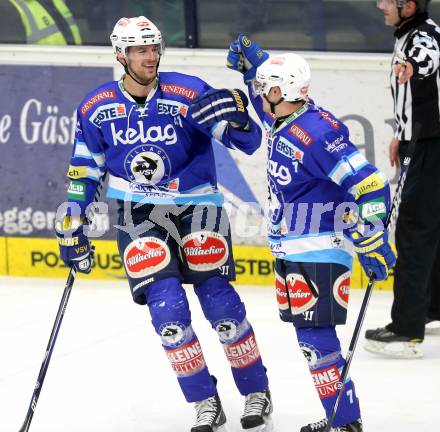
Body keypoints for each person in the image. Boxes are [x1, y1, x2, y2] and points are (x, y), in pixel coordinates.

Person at [55, 16, 273, 432]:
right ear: (122, 56)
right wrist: (73, 224)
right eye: (140, 50)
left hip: (198, 207)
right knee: (168, 312)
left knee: (221, 306)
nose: (150, 56)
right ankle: (204, 400)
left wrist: (243, 117)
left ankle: (256, 391)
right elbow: (84, 170)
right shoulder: (95, 107)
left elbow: (247, 143)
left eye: (154, 48)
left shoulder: (189, 92)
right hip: (138, 215)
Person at [222, 35, 396, 432]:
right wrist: (256, 69)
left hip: (319, 246)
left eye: (266, 88)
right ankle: (342, 417)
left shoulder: (316, 135)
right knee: (310, 337)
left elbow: (371, 185)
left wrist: (371, 238)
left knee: (315, 337)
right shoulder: (287, 118)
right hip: (296, 246)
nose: (259, 95)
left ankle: (345, 423)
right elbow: (269, 112)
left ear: (283, 91)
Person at [365, 0, 440, 358]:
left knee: (413, 231)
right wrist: (401, 132)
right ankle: (432, 307)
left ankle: (407, 328)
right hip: (421, 139)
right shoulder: (409, 32)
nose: (381, 6)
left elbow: (427, 59)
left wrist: (414, 66)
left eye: (387, 1)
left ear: (408, 5)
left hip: (429, 145)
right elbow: (415, 98)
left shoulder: (420, 39)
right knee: (430, 228)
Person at [0, 0, 81, 45]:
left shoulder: (57, 2)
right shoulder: (6, 8)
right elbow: (13, 63)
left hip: (76, 68)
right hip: (44, 72)